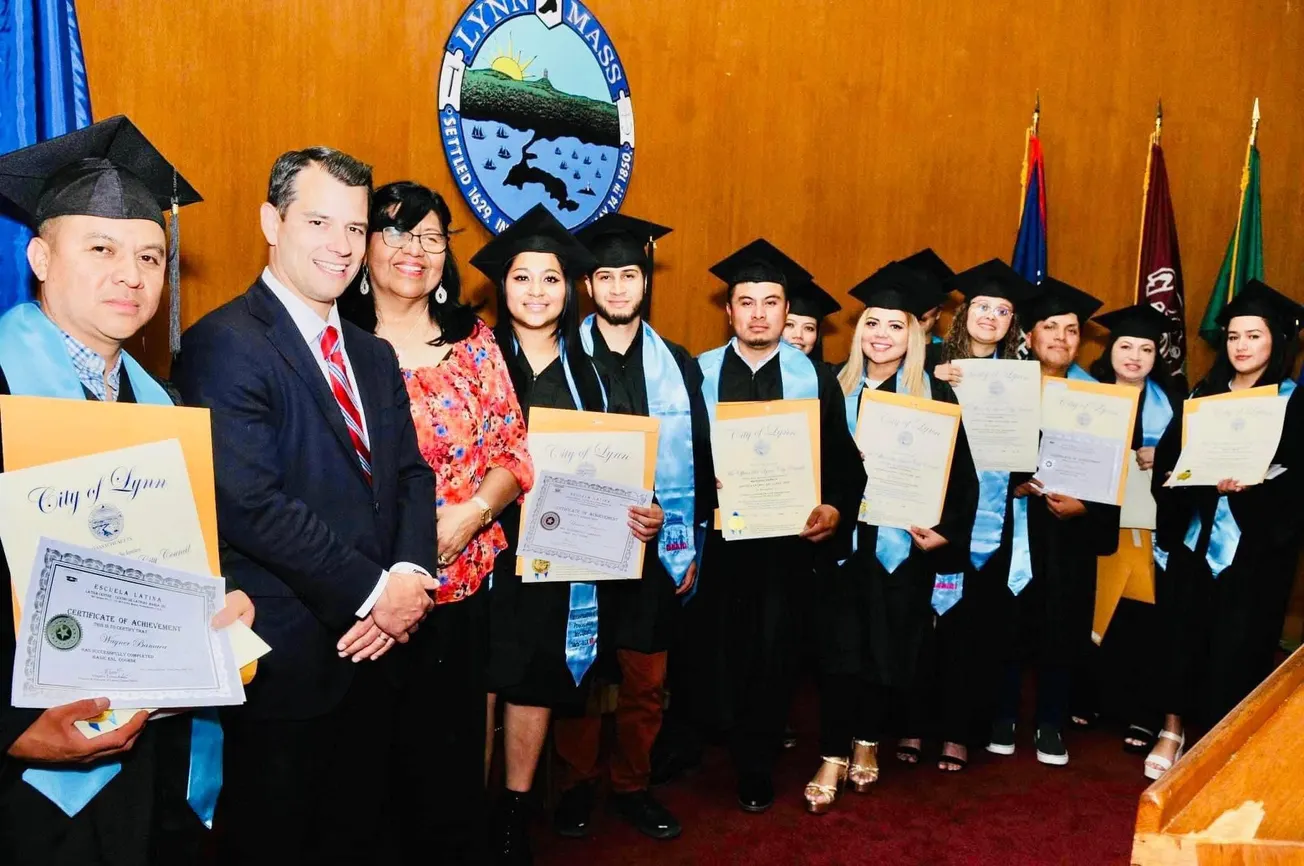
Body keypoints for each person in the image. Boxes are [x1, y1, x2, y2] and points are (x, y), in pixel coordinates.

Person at [173, 147, 439, 865]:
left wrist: (410, 576)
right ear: (271, 221)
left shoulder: (371, 353)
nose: (341, 245)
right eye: (319, 221)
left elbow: (412, 474)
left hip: (378, 655)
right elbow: (252, 505)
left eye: (354, 228)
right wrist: (377, 593)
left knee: (358, 834)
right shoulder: (223, 344)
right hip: (287, 664)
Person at [0, 116, 253, 864]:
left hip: (156, 745)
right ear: (40, 255)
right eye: (101, 249)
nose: (132, 274)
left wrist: (225, 602)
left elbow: (186, 556)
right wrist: (7, 725)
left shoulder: (165, 406)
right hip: (30, 766)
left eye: (150, 255)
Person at [337, 180, 534, 862]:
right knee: (364, 779)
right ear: (365, 247)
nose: (412, 250)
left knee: (448, 773)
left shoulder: (474, 342)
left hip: (461, 588)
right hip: (365, 597)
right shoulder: (334, 341)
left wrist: (476, 513)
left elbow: (513, 448)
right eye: (395, 232)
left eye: (429, 236)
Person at [468, 205, 664, 865]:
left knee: (533, 681)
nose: (536, 292)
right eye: (522, 278)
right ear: (503, 285)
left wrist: (649, 511)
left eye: (550, 279)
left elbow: (626, 467)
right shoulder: (475, 360)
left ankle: (514, 810)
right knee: (480, 686)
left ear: (568, 287)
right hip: (482, 552)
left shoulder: (594, 374)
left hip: (557, 555)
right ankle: (469, 806)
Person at [546, 213, 712, 842]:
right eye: (605, 277)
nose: (617, 288)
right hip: (582, 547)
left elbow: (697, 453)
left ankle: (632, 786)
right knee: (580, 676)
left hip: (652, 548)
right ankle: (576, 785)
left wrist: (682, 534)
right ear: (588, 286)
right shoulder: (560, 360)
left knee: (646, 682)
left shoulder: (677, 364)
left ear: (645, 283)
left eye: (630, 276)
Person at [693, 239, 865, 813]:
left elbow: (846, 465)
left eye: (771, 302)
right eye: (748, 302)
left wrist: (836, 509)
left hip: (787, 546)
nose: (760, 313)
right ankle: (705, 740)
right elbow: (678, 458)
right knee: (716, 648)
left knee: (772, 653)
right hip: (717, 540)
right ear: (730, 311)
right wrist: (701, 483)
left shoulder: (814, 380)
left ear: (787, 311)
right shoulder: (697, 375)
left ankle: (756, 762)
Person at [804, 262, 977, 813]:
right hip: (841, 548)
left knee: (886, 652)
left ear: (915, 334)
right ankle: (831, 753)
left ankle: (867, 742)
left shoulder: (936, 398)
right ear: (858, 333)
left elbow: (963, 476)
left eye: (895, 325)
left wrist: (944, 532)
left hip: (902, 546)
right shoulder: (831, 387)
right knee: (839, 656)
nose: (881, 334)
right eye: (871, 323)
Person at [1146, 280, 1304, 780]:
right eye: (1233, 336)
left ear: (1276, 341)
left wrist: (1256, 488)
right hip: (1196, 538)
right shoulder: (1203, 395)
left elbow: (1299, 479)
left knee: (1240, 643)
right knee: (1180, 635)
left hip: (1254, 548)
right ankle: (1171, 730)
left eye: (1253, 336)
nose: (1240, 345)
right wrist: (1182, 480)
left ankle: (1220, 739)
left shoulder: (1292, 402)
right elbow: (1169, 464)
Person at [985, 277, 1119, 767]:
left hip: (1069, 529)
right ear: (1028, 336)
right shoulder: (1004, 390)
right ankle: (1001, 714)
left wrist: (1088, 506)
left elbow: (1113, 474)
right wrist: (1013, 479)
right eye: (1051, 327)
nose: (1062, 337)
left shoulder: (1099, 398)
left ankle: (1050, 721)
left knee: (1063, 623)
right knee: (1006, 621)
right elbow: (979, 449)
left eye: (1071, 330)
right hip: (1012, 523)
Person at [925, 259, 1039, 771]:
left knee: (977, 625)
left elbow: (1030, 453)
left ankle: (958, 730)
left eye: (1003, 310)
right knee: (923, 621)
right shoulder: (928, 365)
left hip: (991, 517)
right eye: (982, 306)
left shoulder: (1021, 380)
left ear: (1012, 322)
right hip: (934, 510)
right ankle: (912, 721)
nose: (991, 315)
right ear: (963, 312)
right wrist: (931, 376)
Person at [1082, 304, 1183, 755]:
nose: (1135, 356)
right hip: (1095, 522)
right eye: (1126, 346)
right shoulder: (1087, 394)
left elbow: (1191, 461)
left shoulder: (1175, 401)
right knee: (1090, 610)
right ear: (1111, 349)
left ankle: (1141, 711)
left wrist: (1160, 457)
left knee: (1142, 617)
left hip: (1148, 527)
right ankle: (1092, 699)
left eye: (1146, 348)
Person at [896, 247, 955, 344]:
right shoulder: (881, 351)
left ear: (938, 313)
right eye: (911, 299)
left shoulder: (949, 354)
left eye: (928, 300)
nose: (918, 309)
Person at [783, 279, 842, 374]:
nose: (798, 335)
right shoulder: (755, 375)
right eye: (789, 325)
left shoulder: (827, 378)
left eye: (809, 328)